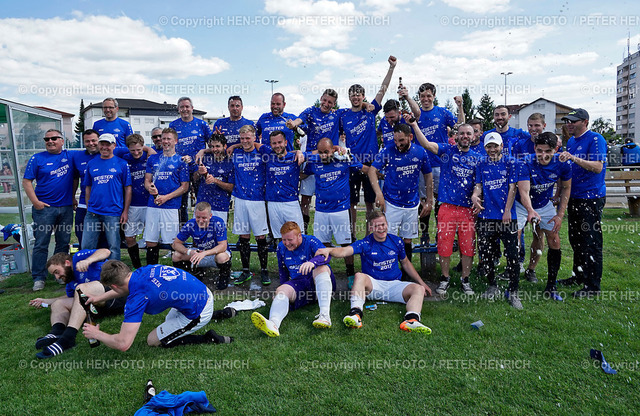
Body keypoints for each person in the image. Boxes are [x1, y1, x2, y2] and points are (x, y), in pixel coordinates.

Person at [317, 210, 432, 333]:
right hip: (373, 286)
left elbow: (406, 263)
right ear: (371, 227)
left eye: (383, 224)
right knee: (359, 276)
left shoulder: (397, 241)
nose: (381, 228)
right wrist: (329, 250)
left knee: (418, 289)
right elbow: (345, 251)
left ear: (387, 224)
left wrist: (422, 283)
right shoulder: (365, 243)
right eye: (377, 226)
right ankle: (355, 314)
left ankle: (411, 320)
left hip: (394, 285)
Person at [81, 261, 234, 350]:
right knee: (168, 325)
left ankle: (208, 338)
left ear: (113, 286)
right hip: (201, 291)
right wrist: (99, 298)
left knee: (153, 340)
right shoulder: (142, 271)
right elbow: (125, 288)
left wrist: (97, 334)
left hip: (199, 308)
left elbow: (124, 343)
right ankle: (220, 313)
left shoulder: (138, 298)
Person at [410, 120, 480, 295]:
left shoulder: (479, 158)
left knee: (468, 247)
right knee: (444, 246)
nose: (465, 136)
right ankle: (445, 278)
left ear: (474, 136)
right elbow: (426, 144)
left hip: (467, 210)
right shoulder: (447, 151)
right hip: (447, 207)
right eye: (462, 133)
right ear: (456, 136)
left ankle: (465, 280)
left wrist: (476, 196)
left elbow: (479, 183)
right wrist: (413, 124)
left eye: (468, 134)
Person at [28, 248, 126, 358]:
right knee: (59, 303)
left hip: (115, 295)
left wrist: (88, 260)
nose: (57, 277)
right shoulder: (70, 281)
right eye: (54, 275)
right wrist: (47, 301)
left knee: (81, 290)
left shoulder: (78, 257)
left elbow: (106, 251)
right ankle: (56, 332)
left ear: (67, 263)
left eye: (56, 272)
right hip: (96, 305)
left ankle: (68, 338)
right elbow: (72, 298)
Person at [340, 56, 396, 239]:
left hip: (372, 162)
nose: (356, 97)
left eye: (359, 94)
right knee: (352, 203)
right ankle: (352, 235)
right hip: (353, 163)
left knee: (371, 203)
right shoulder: (343, 115)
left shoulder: (370, 110)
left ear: (363, 96)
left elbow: (383, 89)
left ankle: (368, 236)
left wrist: (391, 68)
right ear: (349, 97)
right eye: (352, 94)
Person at [400, 83, 463, 244]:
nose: (426, 99)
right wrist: (406, 97)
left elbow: (460, 126)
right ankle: (425, 234)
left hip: (441, 165)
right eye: (422, 96)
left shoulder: (442, 112)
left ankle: (441, 233)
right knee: (424, 201)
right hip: (421, 166)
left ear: (434, 96)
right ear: (419, 98)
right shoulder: (415, 115)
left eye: (429, 96)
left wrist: (460, 107)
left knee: (441, 201)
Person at [251, 222, 335, 336]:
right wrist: (283, 291)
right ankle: (273, 324)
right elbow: (283, 270)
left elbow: (326, 256)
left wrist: (312, 262)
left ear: (299, 236)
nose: (287, 243)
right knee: (281, 290)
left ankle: (325, 316)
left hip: (318, 281)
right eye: (284, 240)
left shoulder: (310, 241)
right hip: (300, 284)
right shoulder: (281, 247)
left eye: (290, 240)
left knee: (321, 268)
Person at [368, 123, 433, 270]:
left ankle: (406, 273)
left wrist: (429, 200)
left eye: (401, 140)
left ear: (410, 137)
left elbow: (428, 176)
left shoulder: (420, 152)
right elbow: (372, 170)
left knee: (407, 240)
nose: (398, 144)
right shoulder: (388, 150)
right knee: (386, 237)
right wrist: (379, 194)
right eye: (395, 140)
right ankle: (387, 270)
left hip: (411, 203)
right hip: (391, 203)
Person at [472, 133, 525, 309]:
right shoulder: (481, 163)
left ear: (502, 145)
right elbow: (478, 185)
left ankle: (514, 291)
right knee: (486, 253)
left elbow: (512, 187)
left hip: (507, 216)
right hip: (486, 216)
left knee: (512, 255)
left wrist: (507, 210)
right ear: (484, 147)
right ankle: (492, 284)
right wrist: (474, 195)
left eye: (495, 146)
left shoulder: (511, 162)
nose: (492, 149)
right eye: (489, 146)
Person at [558, 108, 607, 297]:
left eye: (573, 121)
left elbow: (597, 167)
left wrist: (573, 158)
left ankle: (592, 286)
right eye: (567, 121)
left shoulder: (596, 139)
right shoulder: (571, 141)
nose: (569, 124)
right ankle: (578, 276)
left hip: (591, 198)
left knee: (591, 242)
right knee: (576, 239)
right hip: (575, 197)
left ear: (585, 122)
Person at [516, 132, 571, 300]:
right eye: (539, 151)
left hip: (544, 204)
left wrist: (560, 215)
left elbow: (567, 188)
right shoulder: (526, 161)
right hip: (521, 204)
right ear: (534, 148)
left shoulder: (563, 163)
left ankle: (550, 284)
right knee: (514, 237)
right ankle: (513, 283)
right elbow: (524, 191)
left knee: (553, 239)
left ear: (555, 149)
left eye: (548, 151)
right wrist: (530, 210)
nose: (543, 155)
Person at [302, 137, 367, 279]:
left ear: (333, 149)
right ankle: (325, 273)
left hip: (341, 210)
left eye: (326, 152)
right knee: (322, 244)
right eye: (320, 152)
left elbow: (364, 168)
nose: (324, 155)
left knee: (345, 244)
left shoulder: (344, 158)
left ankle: (350, 274)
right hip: (321, 210)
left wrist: (380, 173)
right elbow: (302, 175)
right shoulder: (314, 162)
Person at [23, 129, 74, 291]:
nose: (50, 141)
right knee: (41, 243)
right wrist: (36, 202)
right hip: (44, 209)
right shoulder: (37, 158)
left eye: (53, 138)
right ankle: (39, 277)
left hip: (65, 208)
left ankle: (60, 274)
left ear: (62, 140)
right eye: (47, 139)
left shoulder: (70, 156)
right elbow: (26, 181)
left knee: (63, 243)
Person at [286, 89, 340, 234]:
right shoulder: (311, 111)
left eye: (330, 102)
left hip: (329, 161)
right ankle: (303, 230)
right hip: (311, 160)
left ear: (334, 104)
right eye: (325, 100)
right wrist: (293, 124)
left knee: (328, 197)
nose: (326, 104)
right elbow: (299, 120)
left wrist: (366, 105)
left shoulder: (336, 114)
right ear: (320, 98)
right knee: (306, 198)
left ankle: (327, 231)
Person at [230, 125, 271, 286]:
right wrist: (235, 146)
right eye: (242, 138)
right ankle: (246, 271)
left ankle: (264, 270)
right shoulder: (236, 153)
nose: (245, 141)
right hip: (240, 200)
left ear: (255, 138)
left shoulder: (262, 153)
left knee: (261, 237)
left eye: (248, 138)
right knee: (244, 237)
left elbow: (273, 149)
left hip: (258, 200)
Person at [143, 128, 189, 265]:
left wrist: (166, 197)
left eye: (169, 139)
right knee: (151, 241)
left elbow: (184, 187)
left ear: (175, 141)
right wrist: (149, 188)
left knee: (173, 242)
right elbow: (147, 180)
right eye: (163, 139)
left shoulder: (181, 160)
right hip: (153, 205)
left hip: (171, 207)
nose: (165, 141)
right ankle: (152, 272)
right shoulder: (153, 159)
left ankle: (176, 273)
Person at [82, 134, 132, 260]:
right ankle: (88, 273)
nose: (105, 147)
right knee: (87, 246)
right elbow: (88, 187)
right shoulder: (92, 164)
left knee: (114, 246)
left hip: (113, 212)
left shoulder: (122, 164)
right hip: (93, 212)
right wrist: (89, 207)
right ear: (98, 145)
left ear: (114, 146)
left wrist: (125, 211)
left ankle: (114, 276)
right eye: (102, 144)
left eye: (108, 144)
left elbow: (128, 188)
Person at [169, 97, 212, 225]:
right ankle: (183, 231)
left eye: (187, 106)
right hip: (181, 169)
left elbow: (213, 145)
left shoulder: (201, 124)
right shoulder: (173, 125)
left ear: (192, 108)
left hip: (198, 169)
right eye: (182, 107)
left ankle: (201, 231)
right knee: (181, 203)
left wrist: (203, 151)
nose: (185, 109)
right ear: (178, 109)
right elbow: (171, 147)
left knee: (201, 202)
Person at [171, 202, 232, 290]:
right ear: (195, 214)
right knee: (176, 255)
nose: (200, 220)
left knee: (221, 257)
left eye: (204, 218)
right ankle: (185, 278)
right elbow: (175, 244)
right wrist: (189, 252)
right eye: (198, 217)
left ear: (210, 216)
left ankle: (224, 276)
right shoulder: (190, 224)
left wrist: (205, 253)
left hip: (215, 253)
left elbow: (223, 246)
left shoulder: (218, 222)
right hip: (199, 252)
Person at [116, 134, 154, 269]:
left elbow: (154, 154)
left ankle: (150, 268)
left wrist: (148, 150)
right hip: (132, 205)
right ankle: (137, 268)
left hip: (149, 204)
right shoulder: (124, 158)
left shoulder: (149, 156)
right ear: (128, 149)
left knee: (151, 239)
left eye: (139, 149)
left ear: (143, 146)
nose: (136, 153)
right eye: (133, 150)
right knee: (129, 238)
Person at [194, 133, 234, 227]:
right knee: (198, 235)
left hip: (220, 206)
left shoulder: (230, 163)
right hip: (202, 205)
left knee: (218, 236)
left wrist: (215, 181)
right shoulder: (205, 158)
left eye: (217, 146)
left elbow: (232, 188)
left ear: (224, 146)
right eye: (212, 146)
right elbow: (194, 179)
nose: (214, 149)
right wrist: (199, 172)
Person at [69, 129, 101, 248]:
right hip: (83, 204)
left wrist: (148, 149)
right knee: (81, 234)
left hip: (104, 205)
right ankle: (85, 263)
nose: (91, 143)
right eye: (87, 141)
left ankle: (103, 265)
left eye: (94, 140)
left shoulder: (109, 152)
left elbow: (133, 147)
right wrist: (72, 197)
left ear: (99, 140)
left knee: (103, 239)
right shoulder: (77, 156)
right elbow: (75, 178)